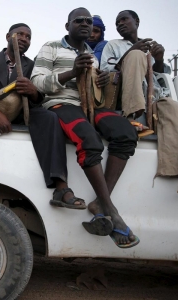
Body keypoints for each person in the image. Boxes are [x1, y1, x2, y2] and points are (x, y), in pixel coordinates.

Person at [31, 7, 140, 248]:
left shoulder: (93, 54)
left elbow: (96, 91)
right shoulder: (51, 47)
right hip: (62, 103)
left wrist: (100, 80)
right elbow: (37, 82)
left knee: (126, 133)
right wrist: (72, 72)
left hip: (90, 105)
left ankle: (100, 204)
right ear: (67, 25)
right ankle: (111, 209)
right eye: (78, 20)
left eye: (88, 22)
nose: (85, 24)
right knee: (89, 141)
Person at [100, 10, 178, 198]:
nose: (120, 24)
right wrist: (133, 51)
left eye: (124, 20)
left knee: (172, 107)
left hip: (152, 99)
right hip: (125, 99)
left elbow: (161, 77)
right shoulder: (113, 45)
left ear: (136, 21)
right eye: (117, 22)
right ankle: (131, 118)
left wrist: (160, 59)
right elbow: (106, 70)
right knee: (137, 56)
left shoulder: (150, 46)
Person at [0, 23, 69, 208]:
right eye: (19, 34)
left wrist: (33, 91)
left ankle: (61, 187)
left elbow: (39, 97)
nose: (24, 39)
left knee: (49, 117)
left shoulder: (33, 65)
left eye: (28, 37)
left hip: (22, 113)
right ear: (7, 36)